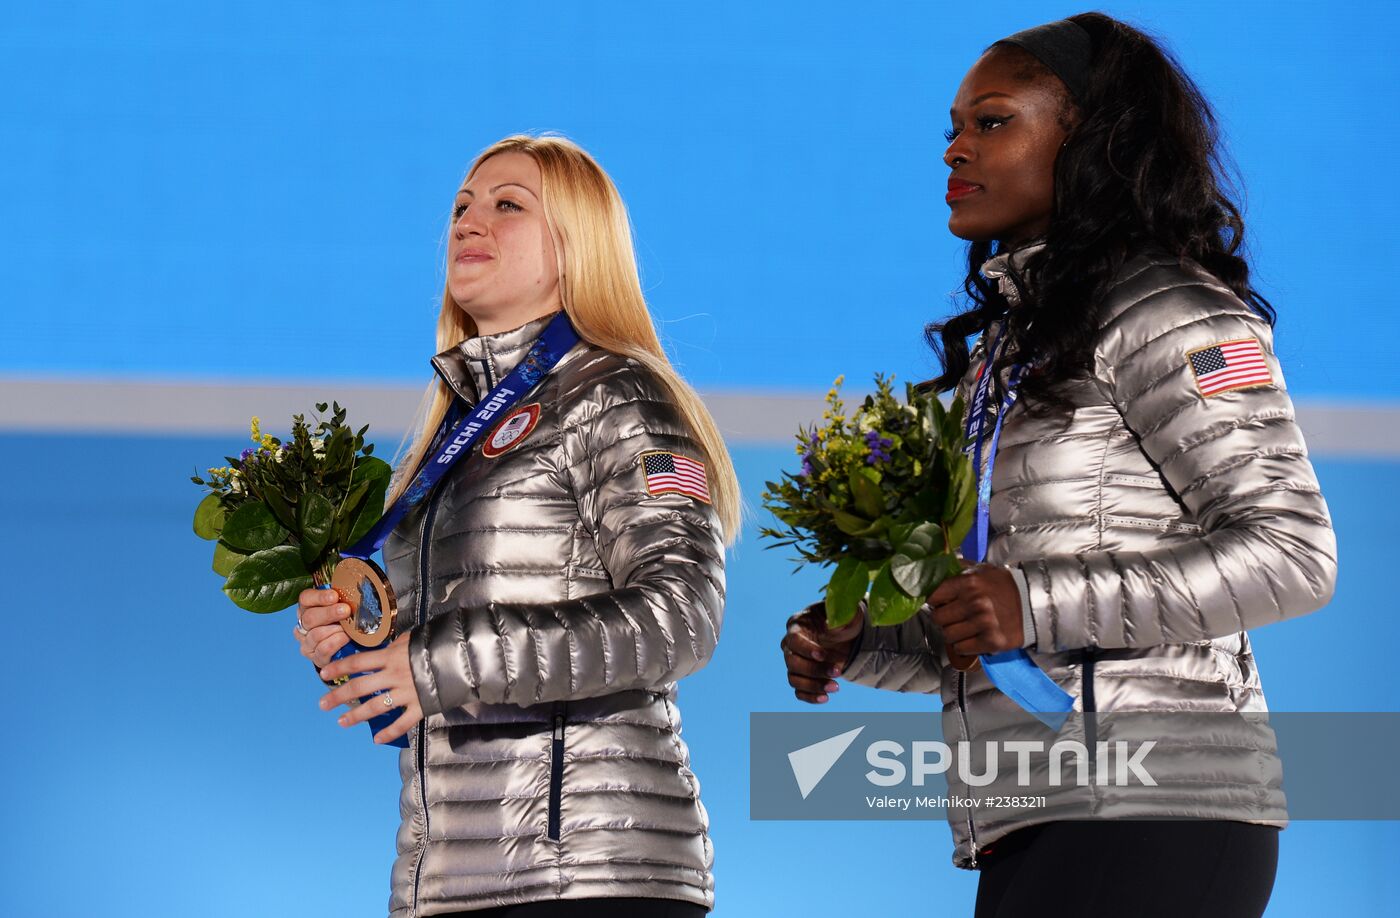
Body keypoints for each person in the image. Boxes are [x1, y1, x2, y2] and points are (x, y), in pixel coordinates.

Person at [780, 13, 1336, 918]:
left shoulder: (1172, 308)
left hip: (1159, 802)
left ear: (1090, 135)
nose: (956, 150)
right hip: (1043, 810)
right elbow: (1006, 636)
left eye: (991, 122)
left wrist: (1030, 600)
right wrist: (868, 642)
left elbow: (1293, 553)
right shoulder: (1015, 347)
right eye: (952, 129)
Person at [294, 135, 739, 917]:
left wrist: (433, 663)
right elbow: (446, 658)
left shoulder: (619, 394)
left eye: (508, 206)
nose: (469, 223)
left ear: (577, 245)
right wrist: (360, 644)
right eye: (462, 207)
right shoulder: (451, 434)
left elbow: (683, 616)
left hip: (591, 874)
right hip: (449, 882)